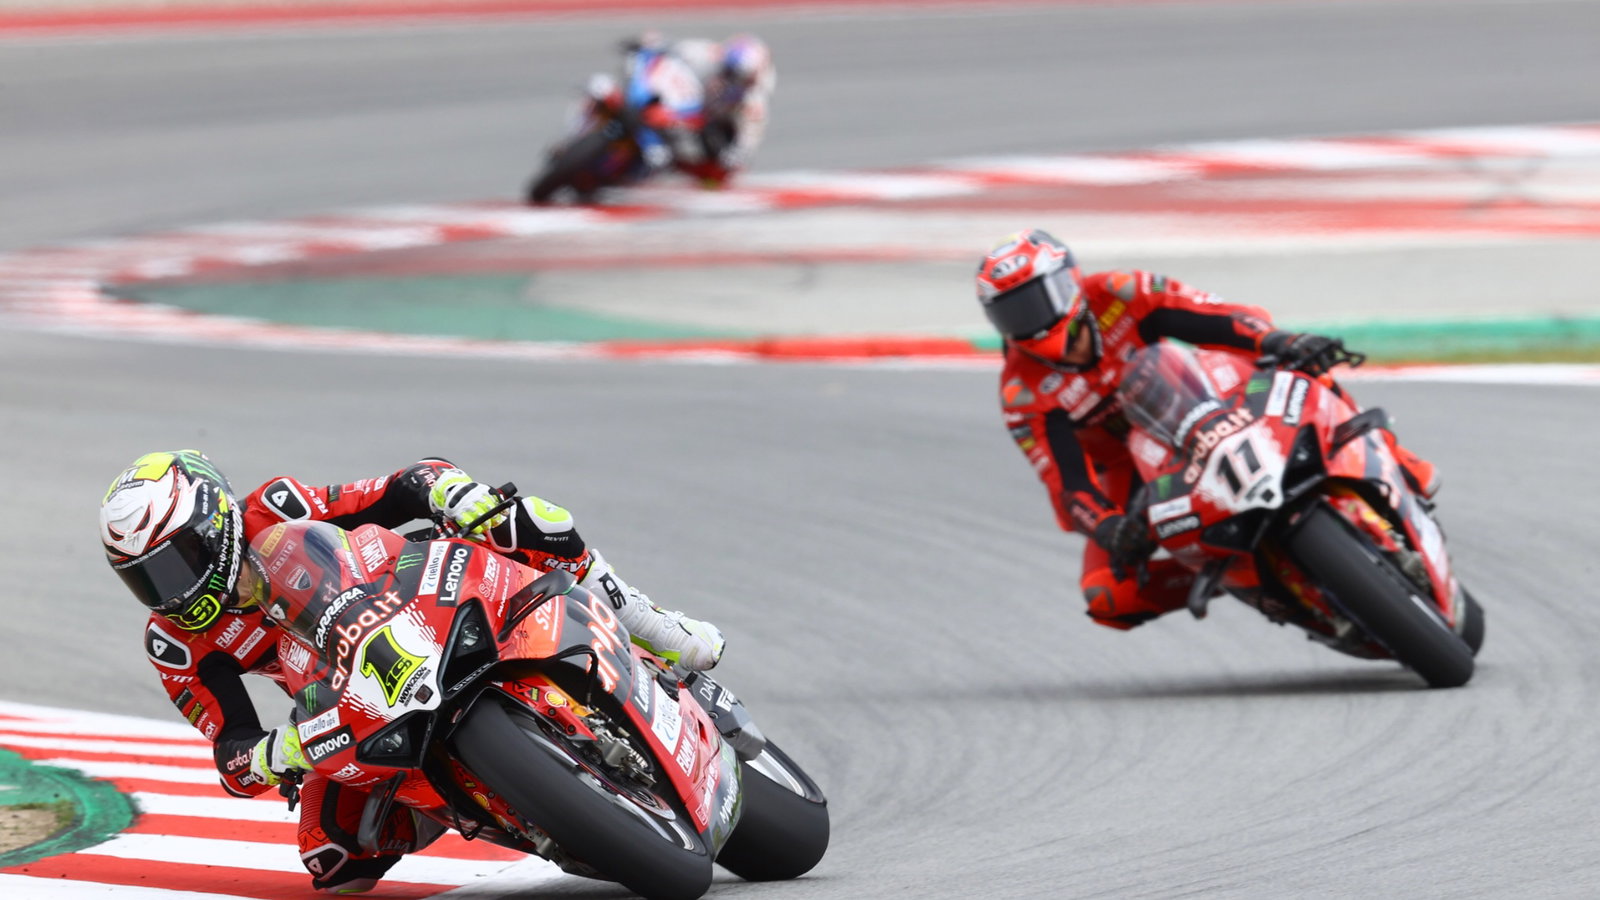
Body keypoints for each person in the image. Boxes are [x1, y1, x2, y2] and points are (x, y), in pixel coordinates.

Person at [98, 451, 724, 894]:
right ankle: (468, 802)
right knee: (333, 860)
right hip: (347, 695)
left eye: (175, 564)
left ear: (215, 526)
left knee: (522, 519)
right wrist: (273, 753)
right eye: (145, 580)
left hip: (409, 598)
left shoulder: (277, 508)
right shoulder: (175, 644)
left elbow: (397, 488)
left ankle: (648, 623)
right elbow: (231, 753)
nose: (169, 592)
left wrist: (452, 494)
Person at [975, 230, 1440, 631]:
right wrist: (1111, 528)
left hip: (1202, 394)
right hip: (1131, 468)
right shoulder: (1022, 392)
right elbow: (1068, 487)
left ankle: (1395, 458)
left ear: (1069, 282)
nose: (1030, 320)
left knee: (1299, 364)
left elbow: (1214, 316)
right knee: (1107, 599)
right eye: (1011, 312)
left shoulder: (1120, 291)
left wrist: (1277, 340)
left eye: (1037, 300)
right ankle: (1248, 578)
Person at [601, 31, 774, 187]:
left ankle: (665, 164)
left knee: (716, 171)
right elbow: (671, 47)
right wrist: (647, 44)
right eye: (728, 70)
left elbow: (745, 146)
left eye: (737, 76)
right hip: (684, 101)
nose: (729, 77)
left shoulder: (753, 104)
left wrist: (732, 155)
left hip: (706, 128)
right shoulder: (709, 53)